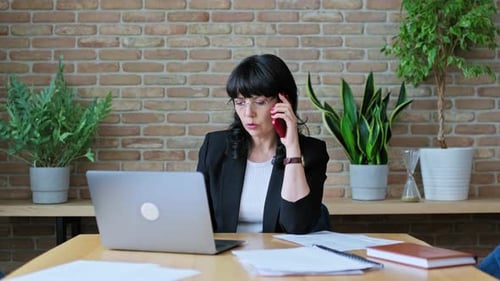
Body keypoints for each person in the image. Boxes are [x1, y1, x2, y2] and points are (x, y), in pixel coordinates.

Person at [196, 54, 330, 234]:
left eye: (259, 102)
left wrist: (292, 149)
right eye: (240, 102)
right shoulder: (215, 147)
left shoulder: (312, 152)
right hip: (226, 256)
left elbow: (296, 225)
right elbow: (198, 218)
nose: (248, 113)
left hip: (278, 256)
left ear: (284, 102)